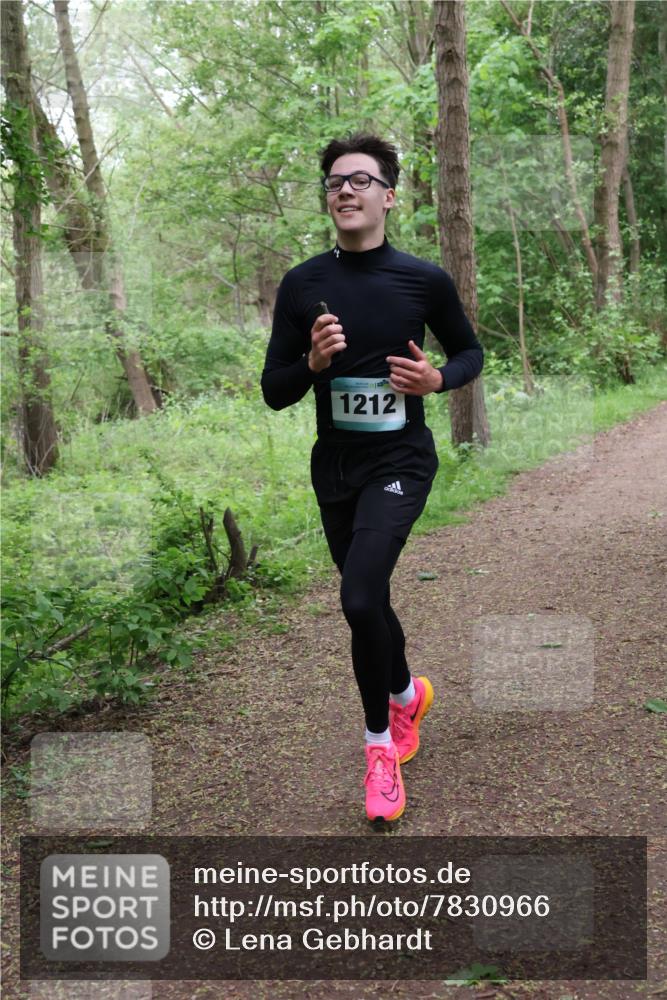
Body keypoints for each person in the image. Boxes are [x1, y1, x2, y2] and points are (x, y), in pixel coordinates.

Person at [261, 133, 483, 823]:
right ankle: (405, 692)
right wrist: (315, 366)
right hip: (335, 467)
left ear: (388, 195)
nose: (344, 190)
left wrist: (437, 377)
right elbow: (274, 390)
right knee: (368, 596)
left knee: (358, 598)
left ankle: (379, 747)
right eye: (333, 181)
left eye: (359, 180)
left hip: (400, 460)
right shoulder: (303, 285)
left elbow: (471, 351)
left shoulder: (422, 280)